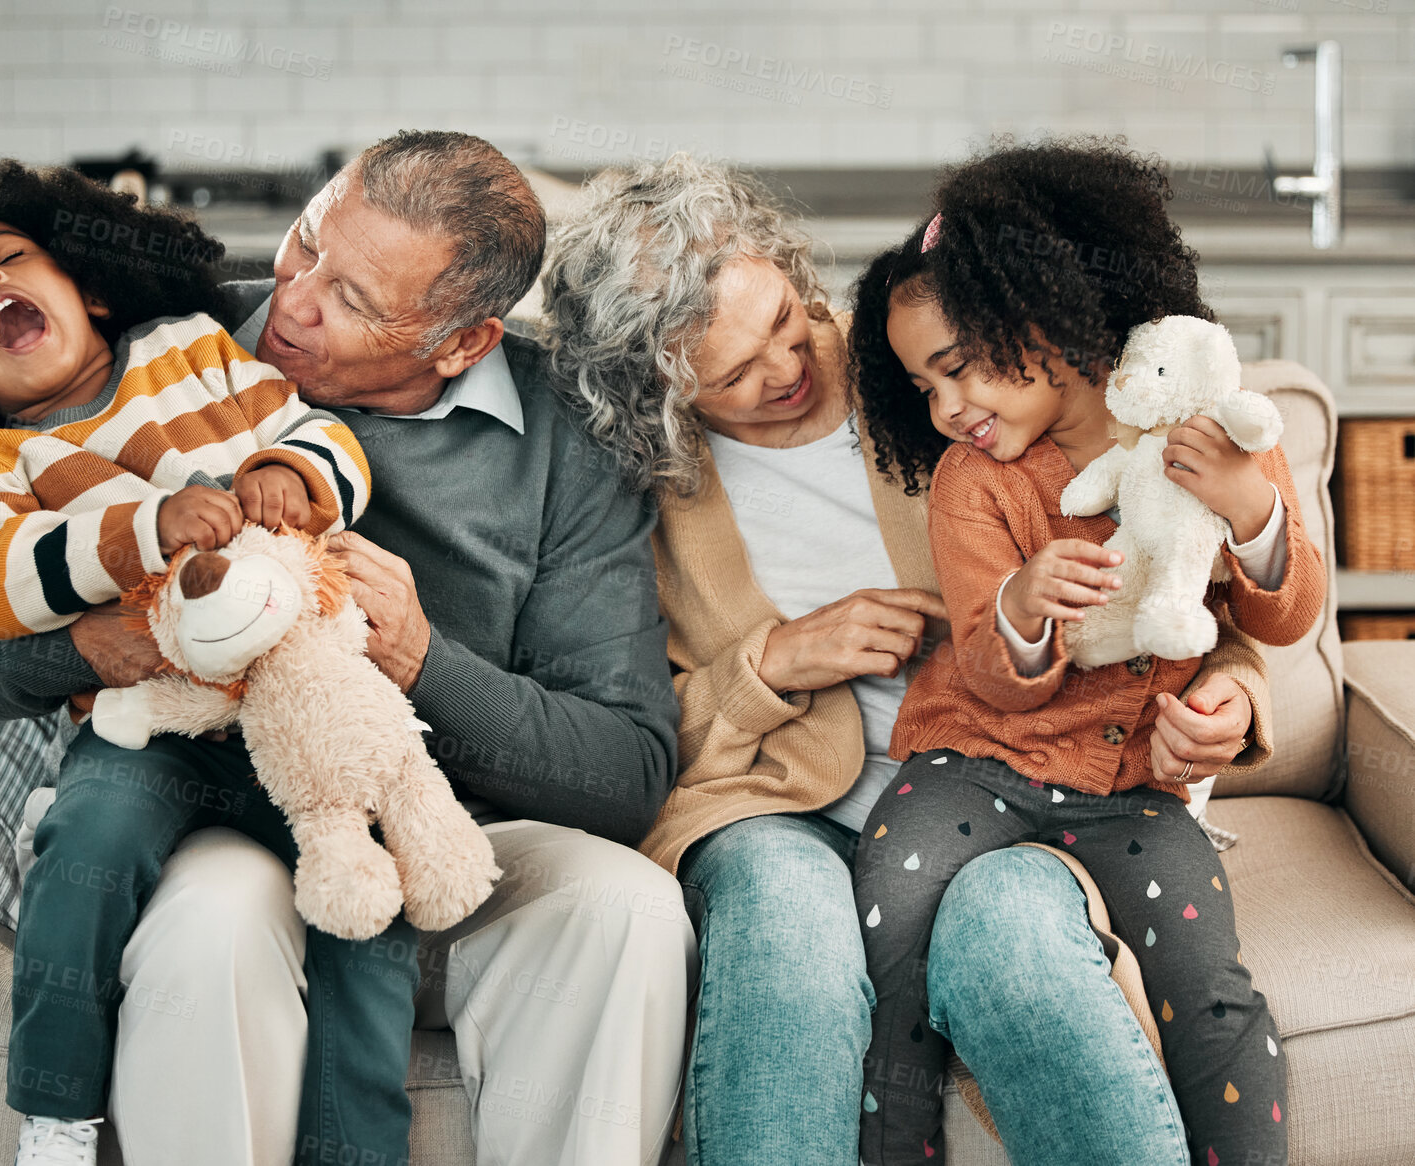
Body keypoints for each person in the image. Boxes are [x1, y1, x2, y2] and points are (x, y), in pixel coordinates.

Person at [0, 131, 695, 1166]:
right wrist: (93, 643)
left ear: (461, 343)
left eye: (355, 302)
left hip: (443, 825)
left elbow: (623, 771)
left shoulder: (568, 439)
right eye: (305, 244)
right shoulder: (183, 341)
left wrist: (422, 660)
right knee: (215, 918)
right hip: (225, 804)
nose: (292, 302)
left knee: (627, 906)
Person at [541, 152, 1274, 1166]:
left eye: (788, 320)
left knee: (1010, 934)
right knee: (790, 925)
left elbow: (1165, 569)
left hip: (1006, 780)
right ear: (658, 394)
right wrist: (775, 661)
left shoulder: (944, 374)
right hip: (771, 801)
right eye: (738, 374)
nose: (791, 366)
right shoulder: (632, 482)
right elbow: (608, 730)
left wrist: (1235, 684)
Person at [0, 160, 420, 1166]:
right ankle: (57, 1111)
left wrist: (283, 471)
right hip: (145, 725)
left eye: (8, 262)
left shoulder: (197, 354)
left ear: (88, 289)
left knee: (363, 896)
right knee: (85, 845)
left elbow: (328, 441)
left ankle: (355, 1146)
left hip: (295, 713)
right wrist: (143, 528)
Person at [847, 140, 1325, 1166]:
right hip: (969, 762)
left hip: (1132, 785)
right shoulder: (971, 484)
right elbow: (982, 669)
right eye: (920, 385)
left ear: (1047, 315)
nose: (943, 408)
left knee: (1209, 984)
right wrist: (1021, 604)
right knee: (887, 924)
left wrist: (1252, 509)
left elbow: (1285, 619)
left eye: (958, 364)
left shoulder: (1205, 431)